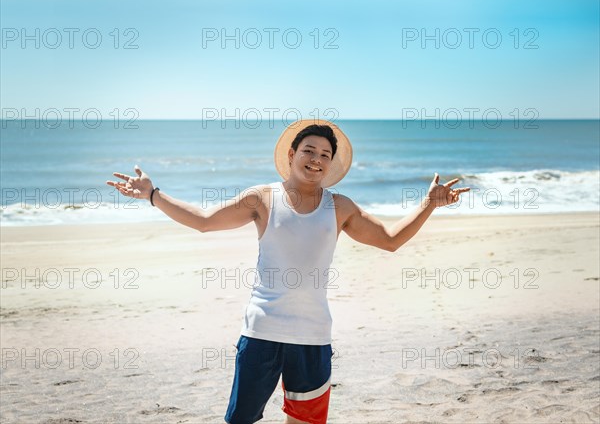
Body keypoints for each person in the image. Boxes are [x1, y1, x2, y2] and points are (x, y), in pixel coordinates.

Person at [106, 119, 470, 424]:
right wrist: (154, 195)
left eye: (325, 155)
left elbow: (390, 240)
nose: (317, 159)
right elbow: (203, 221)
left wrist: (429, 204)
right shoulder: (262, 198)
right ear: (292, 155)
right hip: (262, 332)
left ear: (330, 165)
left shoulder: (339, 207)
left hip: (313, 338)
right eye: (309, 151)